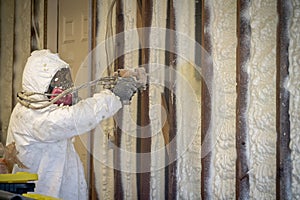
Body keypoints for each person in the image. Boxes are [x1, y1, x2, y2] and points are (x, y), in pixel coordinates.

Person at [6, 49, 137, 199]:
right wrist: (113, 96)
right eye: (57, 81)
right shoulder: (34, 117)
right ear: (39, 84)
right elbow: (75, 118)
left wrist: (110, 93)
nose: (63, 87)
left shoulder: (34, 106)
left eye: (64, 79)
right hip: (40, 193)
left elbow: (74, 114)